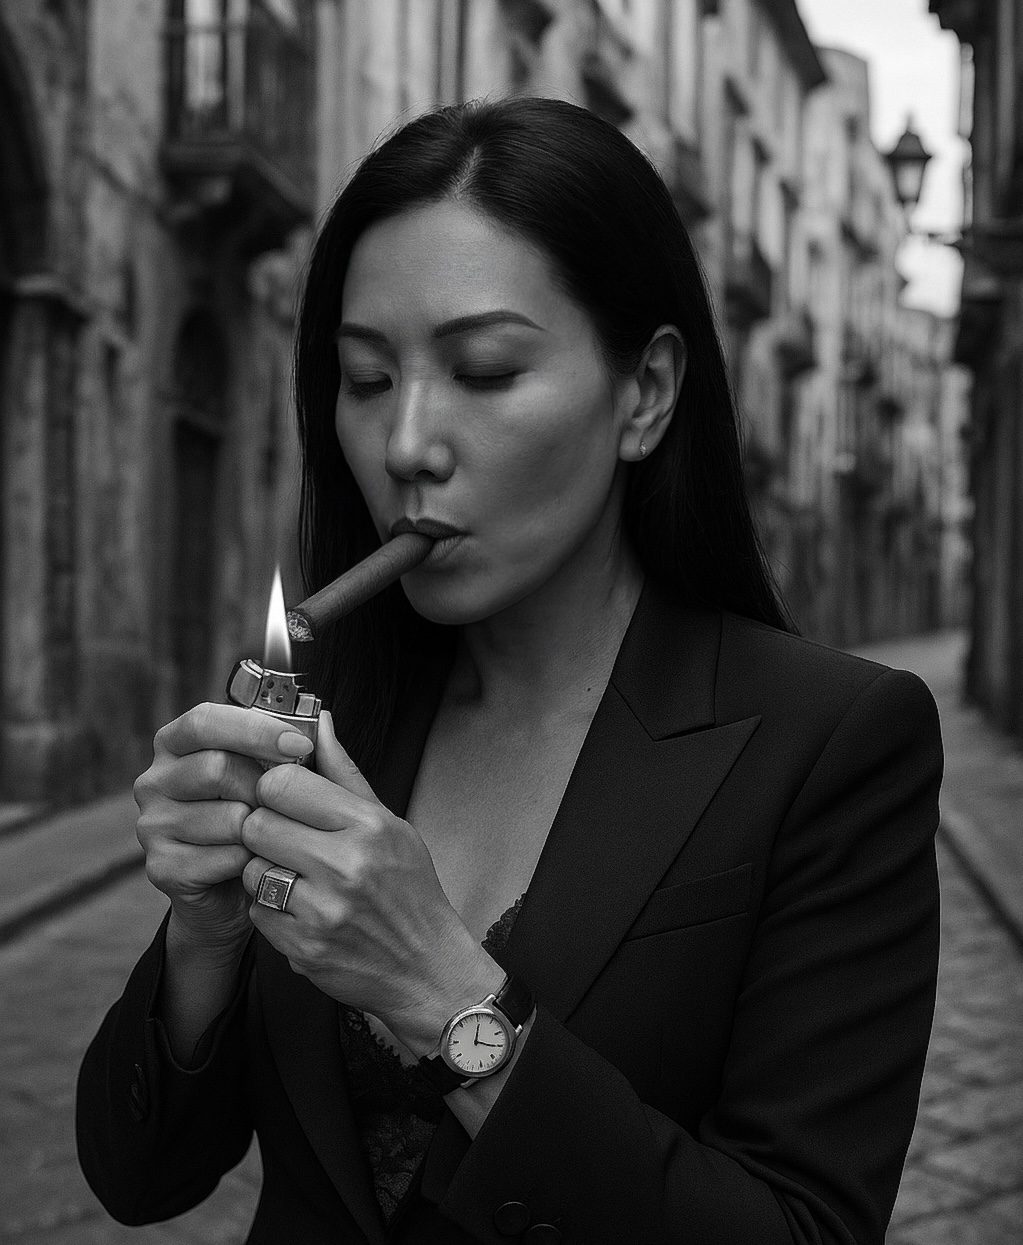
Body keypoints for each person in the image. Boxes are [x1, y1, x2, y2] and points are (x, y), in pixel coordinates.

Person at [76, 97, 942, 1245]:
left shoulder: (832, 743)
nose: (406, 445)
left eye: (483, 372)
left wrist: (446, 999)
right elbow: (141, 1178)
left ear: (646, 395)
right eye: (368, 378)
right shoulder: (342, 724)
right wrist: (205, 933)